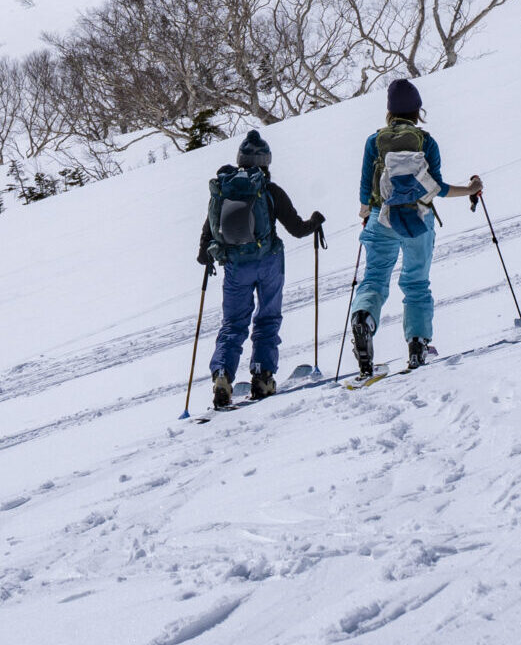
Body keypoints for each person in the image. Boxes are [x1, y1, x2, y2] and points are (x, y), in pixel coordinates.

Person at [349, 79, 481, 380]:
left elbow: (363, 195)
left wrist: (367, 212)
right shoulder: (426, 142)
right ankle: (418, 345)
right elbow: (438, 189)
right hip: (419, 221)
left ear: (389, 111)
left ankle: (364, 320)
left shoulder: (374, 142)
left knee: (374, 278)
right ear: (416, 111)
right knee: (416, 282)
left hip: (381, 219)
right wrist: (472, 188)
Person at [199, 130, 324, 409]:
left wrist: (204, 256)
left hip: (235, 267)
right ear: (266, 161)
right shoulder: (269, 190)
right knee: (267, 320)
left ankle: (222, 375)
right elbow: (297, 229)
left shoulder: (224, 190)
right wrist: (315, 221)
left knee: (233, 324)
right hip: (269, 263)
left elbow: (208, 230)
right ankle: (263, 377)